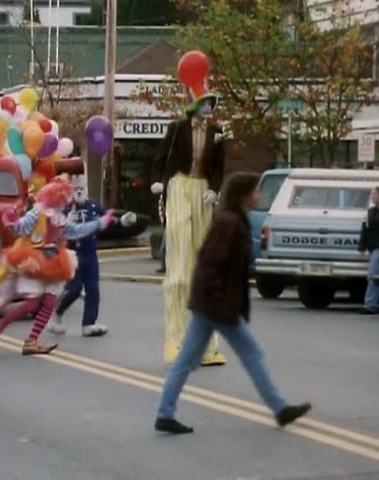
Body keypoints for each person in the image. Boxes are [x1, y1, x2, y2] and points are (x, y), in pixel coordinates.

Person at [154, 172, 311, 434]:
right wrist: (220, 300)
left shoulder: (233, 221)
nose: (259, 195)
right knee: (252, 353)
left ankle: (164, 413)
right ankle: (280, 408)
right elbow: (210, 263)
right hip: (217, 305)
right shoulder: (229, 223)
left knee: (185, 361)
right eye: (256, 191)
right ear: (243, 195)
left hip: (210, 304)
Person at [0, 175, 114, 355]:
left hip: (53, 260)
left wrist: (98, 223)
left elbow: (74, 231)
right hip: (34, 260)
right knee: (33, 304)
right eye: (64, 198)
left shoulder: (59, 216)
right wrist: (12, 222)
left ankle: (32, 341)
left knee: (50, 302)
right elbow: (22, 228)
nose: (66, 202)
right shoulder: (38, 212)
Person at [151, 70, 228, 367]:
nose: (209, 108)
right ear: (194, 104)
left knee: (204, 266)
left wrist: (215, 190)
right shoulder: (178, 128)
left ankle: (207, 344)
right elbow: (162, 156)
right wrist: (159, 180)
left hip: (202, 190)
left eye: (211, 103)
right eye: (205, 103)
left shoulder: (217, 132)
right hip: (181, 185)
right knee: (180, 268)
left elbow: (219, 167)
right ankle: (175, 338)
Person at [48, 174, 136, 337]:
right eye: (76, 189)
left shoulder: (94, 206)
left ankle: (89, 323)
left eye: (82, 188)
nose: (79, 192)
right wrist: (67, 221)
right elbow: (56, 230)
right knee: (74, 289)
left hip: (90, 252)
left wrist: (122, 221)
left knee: (93, 288)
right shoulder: (66, 208)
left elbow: (106, 220)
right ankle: (57, 315)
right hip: (72, 254)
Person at [358, 186, 379, 314]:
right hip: (373, 247)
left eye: (375, 194)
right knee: (374, 276)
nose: (372, 197)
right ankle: (372, 303)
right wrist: (362, 246)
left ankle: (370, 304)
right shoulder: (369, 212)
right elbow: (364, 229)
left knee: (373, 275)